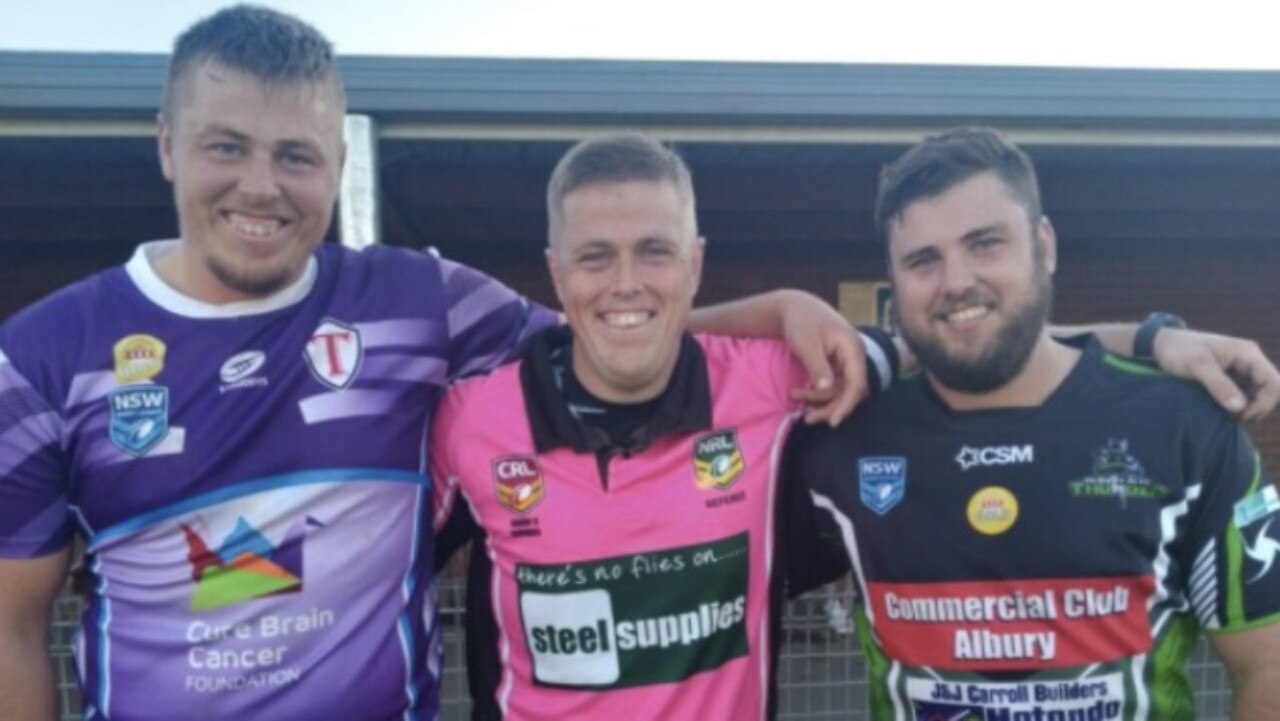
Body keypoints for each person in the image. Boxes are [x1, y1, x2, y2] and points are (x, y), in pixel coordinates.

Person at [0, 7, 879, 721]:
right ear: (166, 144)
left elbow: (608, 331)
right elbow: (12, 625)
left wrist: (782, 311)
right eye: (226, 146)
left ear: (337, 162)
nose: (261, 186)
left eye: (297, 155)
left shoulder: (420, 301)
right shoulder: (42, 356)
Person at [429, 133, 1280, 721]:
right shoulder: (471, 418)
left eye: (655, 252)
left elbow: (966, 336)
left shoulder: (776, 376)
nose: (625, 280)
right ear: (555, 271)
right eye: (594, 258)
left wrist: (1151, 336)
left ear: (695, 262)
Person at [787, 127, 1280, 721]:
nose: (957, 281)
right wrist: (786, 304)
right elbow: (669, 351)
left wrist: (1151, 338)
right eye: (923, 260)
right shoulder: (844, 435)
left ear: (1044, 246)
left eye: (985, 244)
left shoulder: (1183, 426)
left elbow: (1268, 665)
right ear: (895, 279)